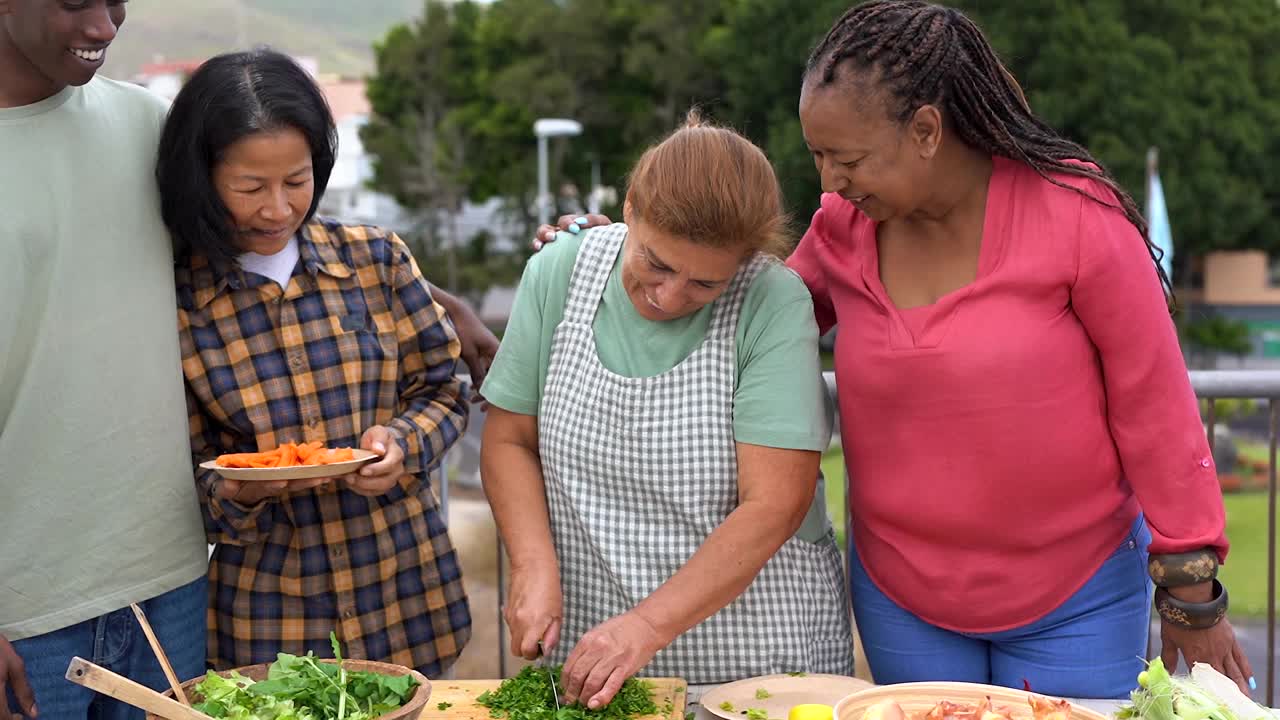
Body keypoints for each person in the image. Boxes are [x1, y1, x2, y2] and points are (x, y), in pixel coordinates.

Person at [534, 0, 1251, 699]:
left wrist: (1193, 596)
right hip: (903, 598)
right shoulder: (843, 226)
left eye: (845, 158)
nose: (827, 181)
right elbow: (741, 314)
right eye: (817, 155)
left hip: (1076, 597)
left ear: (928, 131)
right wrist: (626, 244)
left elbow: (1153, 404)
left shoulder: (1078, 215)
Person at [482, 114, 854, 711]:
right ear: (630, 208)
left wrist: (647, 627)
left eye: (704, 284)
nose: (669, 295)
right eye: (655, 262)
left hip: (762, 655)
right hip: (601, 656)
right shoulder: (558, 271)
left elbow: (774, 504)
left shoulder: (772, 299)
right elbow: (508, 439)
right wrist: (530, 561)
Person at [155, 48, 475, 677]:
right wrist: (245, 489)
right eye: (250, 187)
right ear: (201, 177)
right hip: (272, 622)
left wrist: (402, 444)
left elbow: (444, 390)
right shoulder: (176, 304)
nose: (278, 208)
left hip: (406, 597)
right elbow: (179, 486)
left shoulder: (376, 261)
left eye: (297, 181)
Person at [1, 3, 209, 719]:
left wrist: (432, 297)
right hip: (21, 620)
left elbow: (253, 243)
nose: (102, 27)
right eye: (73, 2)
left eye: (116, 0)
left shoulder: (147, 126)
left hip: (170, 589)